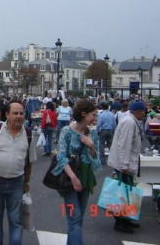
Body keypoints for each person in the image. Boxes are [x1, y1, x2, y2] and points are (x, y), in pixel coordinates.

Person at [0, 101, 36, 245]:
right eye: (15, 113)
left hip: (16, 182)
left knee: (16, 220)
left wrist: (27, 183)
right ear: (7, 115)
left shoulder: (28, 134)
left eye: (21, 113)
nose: (19, 116)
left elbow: (29, 162)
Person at [53, 99, 101, 245]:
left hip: (86, 176)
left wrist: (91, 146)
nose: (95, 118)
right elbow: (60, 156)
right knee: (74, 218)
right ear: (83, 114)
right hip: (69, 177)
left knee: (78, 218)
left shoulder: (92, 133)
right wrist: (73, 177)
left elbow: (96, 160)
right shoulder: (66, 131)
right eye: (93, 115)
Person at [108, 100, 145, 233]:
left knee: (126, 192)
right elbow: (124, 144)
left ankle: (125, 218)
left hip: (125, 162)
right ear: (138, 111)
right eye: (143, 112)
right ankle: (120, 222)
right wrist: (124, 164)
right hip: (124, 164)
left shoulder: (130, 121)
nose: (144, 114)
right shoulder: (129, 122)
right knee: (123, 193)